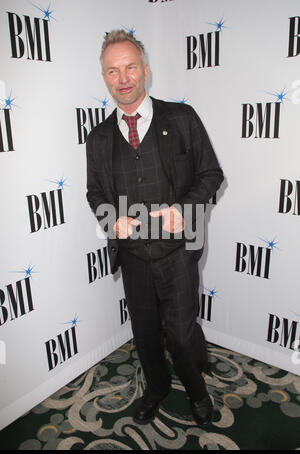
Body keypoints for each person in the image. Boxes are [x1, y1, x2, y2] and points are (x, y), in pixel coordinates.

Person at [86, 30, 224, 426]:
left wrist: (186, 208)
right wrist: (113, 220)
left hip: (178, 251)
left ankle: (196, 391)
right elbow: (94, 193)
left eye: (130, 67)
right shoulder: (97, 139)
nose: (123, 77)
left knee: (180, 335)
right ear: (104, 78)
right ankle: (157, 387)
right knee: (145, 336)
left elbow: (211, 174)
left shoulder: (181, 118)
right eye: (113, 71)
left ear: (145, 70)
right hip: (132, 258)